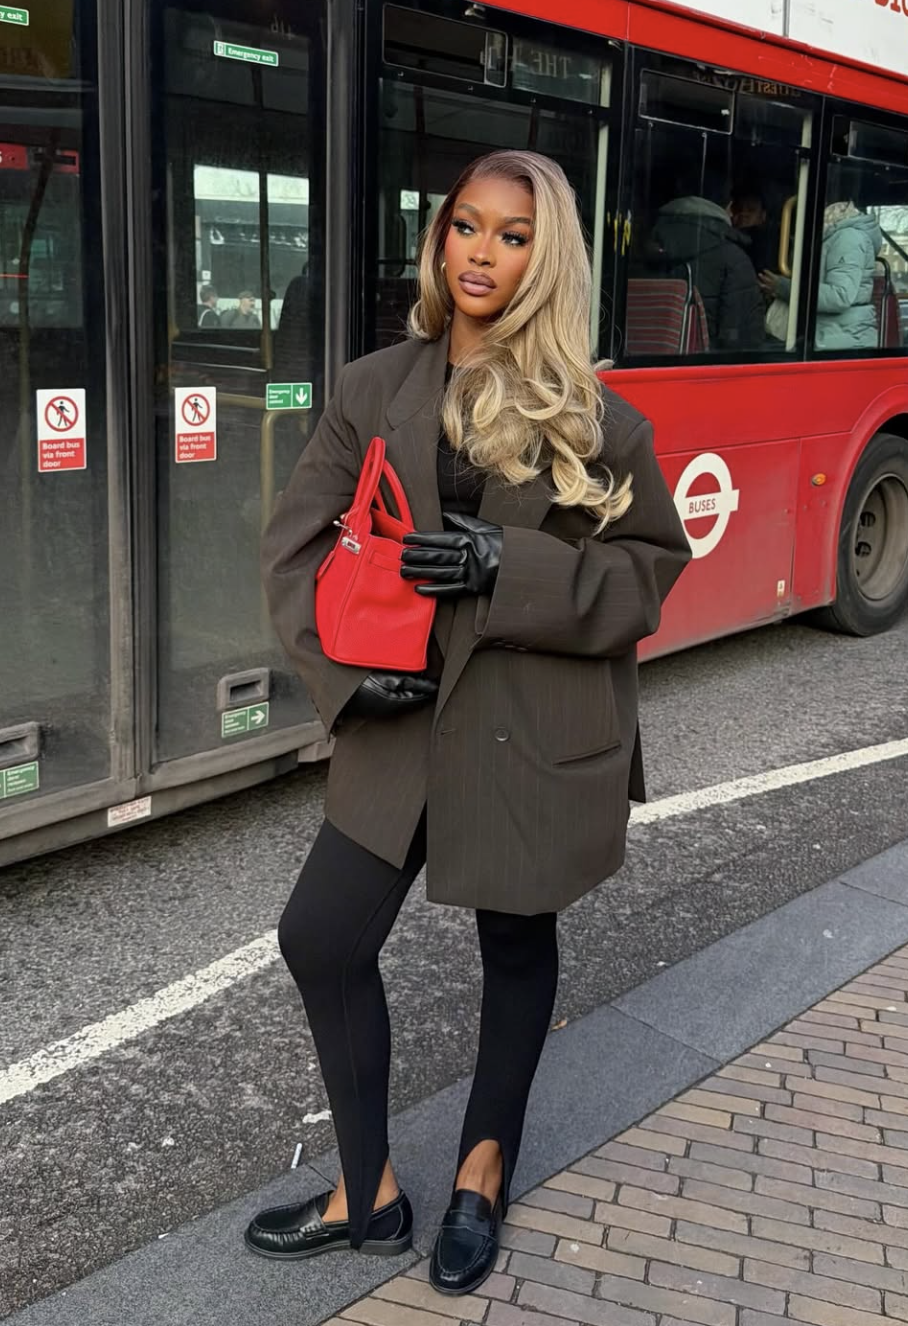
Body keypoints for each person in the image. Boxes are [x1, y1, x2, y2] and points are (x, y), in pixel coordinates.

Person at [253, 150, 690, 1296]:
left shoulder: (598, 420)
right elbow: (295, 551)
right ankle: (368, 1191)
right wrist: (345, 680)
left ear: (546, 259)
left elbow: (650, 569)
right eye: (466, 227)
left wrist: (515, 564)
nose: (482, 253)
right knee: (323, 938)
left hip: (529, 715)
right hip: (400, 710)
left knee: (514, 941)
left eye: (512, 236)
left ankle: (483, 1173)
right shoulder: (371, 386)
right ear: (440, 239)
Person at [759, 201, 882, 351]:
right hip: (834, 334)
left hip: (842, 340)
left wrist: (785, 288)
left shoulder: (848, 237)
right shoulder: (832, 233)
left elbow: (840, 296)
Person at [653, 189, 765, 350]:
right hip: (706, 364)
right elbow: (740, 338)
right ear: (729, 207)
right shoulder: (734, 258)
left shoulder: (644, 247)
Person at [730, 189, 773, 276]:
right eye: (738, 209)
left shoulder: (768, 246)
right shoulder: (724, 240)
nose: (743, 214)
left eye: (751, 210)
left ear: (763, 216)